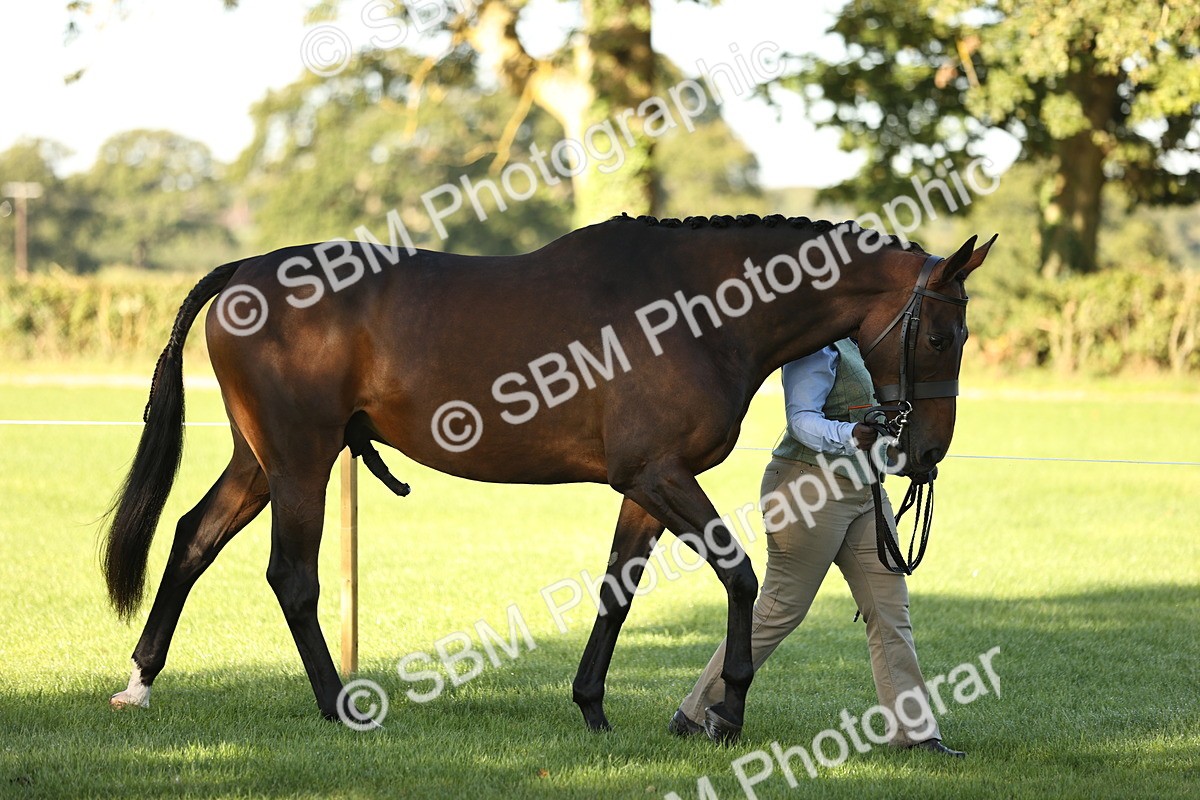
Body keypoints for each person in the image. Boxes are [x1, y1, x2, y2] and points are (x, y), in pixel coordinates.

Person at [668, 338, 964, 757]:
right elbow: (801, 420)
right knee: (780, 609)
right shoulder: (816, 345)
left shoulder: (864, 344)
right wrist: (851, 434)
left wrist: (904, 454)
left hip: (864, 491)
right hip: (806, 487)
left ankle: (914, 734)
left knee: (890, 611)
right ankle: (695, 713)